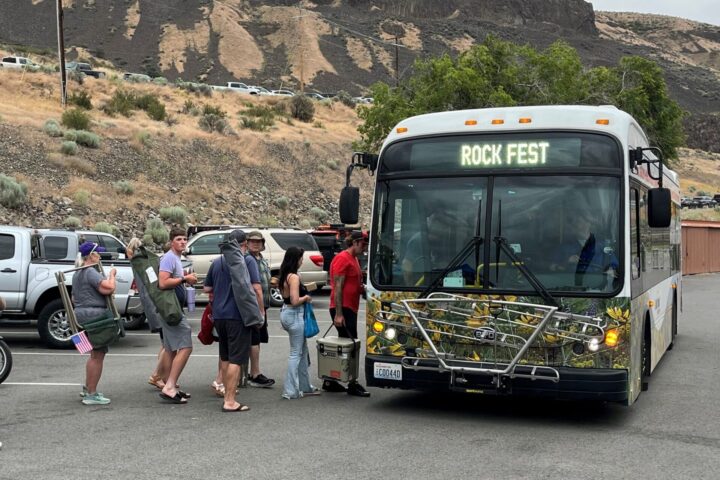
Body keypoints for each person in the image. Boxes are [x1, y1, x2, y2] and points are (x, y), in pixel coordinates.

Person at [204, 229, 254, 411]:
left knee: (225, 357)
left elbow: (207, 288)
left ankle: (226, 393)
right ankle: (230, 401)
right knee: (236, 359)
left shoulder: (217, 262)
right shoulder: (245, 261)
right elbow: (254, 288)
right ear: (243, 244)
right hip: (237, 315)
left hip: (219, 315)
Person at [326, 231, 370, 397]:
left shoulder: (355, 260)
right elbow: (337, 286)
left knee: (346, 345)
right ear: (356, 242)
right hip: (343, 308)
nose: (365, 247)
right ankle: (352, 383)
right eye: (364, 243)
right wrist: (338, 314)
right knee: (351, 346)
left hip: (350, 307)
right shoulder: (343, 258)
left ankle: (330, 380)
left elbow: (355, 283)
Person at [73, 241, 116, 405]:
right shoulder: (90, 271)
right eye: (97, 253)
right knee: (98, 355)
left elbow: (73, 298)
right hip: (94, 315)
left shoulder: (78, 272)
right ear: (91, 255)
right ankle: (92, 393)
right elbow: (108, 288)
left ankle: (88, 388)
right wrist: (112, 274)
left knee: (93, 354)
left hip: (82, 314)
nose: (99, 256)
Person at [157, 227, 197, 404]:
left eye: (184, 239)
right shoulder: (169, 258)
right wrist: (184, 279)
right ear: (171, 241)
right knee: (186, 345)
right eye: (179, 239)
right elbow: (163, 282)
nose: (182, 242)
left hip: (172, 309)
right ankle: (170, 386)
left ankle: (168, 385)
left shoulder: (176, 259)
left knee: (170, 348)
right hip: (170, 311)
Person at [125, 238, 169, 391]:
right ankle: (158, 375)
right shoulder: (145, 263)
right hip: (155, 301)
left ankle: (163, 376)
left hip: (147, 300)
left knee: (165, 342)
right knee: (168, 343)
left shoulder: (135, 264)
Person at [278, 246, 319, 399]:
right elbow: (295, 300)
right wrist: (306, 298)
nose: (302, 260)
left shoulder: (284, 275)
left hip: (286, 312)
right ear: (297, 259)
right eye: (301, 258)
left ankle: (304, 386)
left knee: (302, 351)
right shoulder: (294, 277)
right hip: (294, 314)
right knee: (296, 353)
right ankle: (290, 390)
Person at [246, 230, 275, 388]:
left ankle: (252, 372)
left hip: (262, 305)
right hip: (255, 307)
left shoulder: (261, 259)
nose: (256, 244)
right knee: (254, 339)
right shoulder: (248, 259)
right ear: (247, 242)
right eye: (252, 241)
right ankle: (254, 374)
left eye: (259, 241)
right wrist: (260, 310)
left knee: (257, 340)